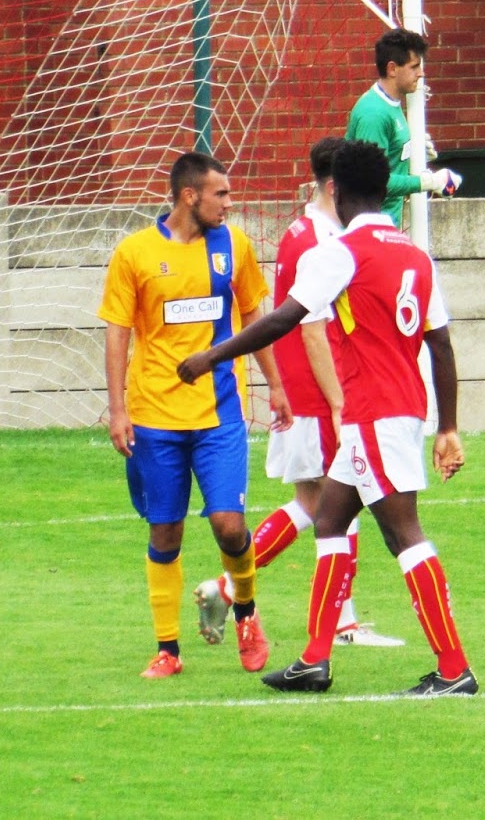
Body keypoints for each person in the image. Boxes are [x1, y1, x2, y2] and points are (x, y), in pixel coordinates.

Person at [178, 140, 475, 696]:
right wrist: (448, 427)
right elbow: (441, 344)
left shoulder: (340, 252)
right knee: (330, 519)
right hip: (392, 412)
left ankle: (454, 669)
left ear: (336, 193)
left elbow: (283, 319)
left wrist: (211, 356)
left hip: (375, 416)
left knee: (404, 535)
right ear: (384, 191)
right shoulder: (415, 255)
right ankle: (314, 660)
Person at [191, 138, 403, 650]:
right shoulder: (323, 241)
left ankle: (225, 587)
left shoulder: (301, 231)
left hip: (304, 389)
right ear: (335, 186)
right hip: (320, 390)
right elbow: (312, 329)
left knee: (312, 502)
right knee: (344, 498)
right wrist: (338, 401)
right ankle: (343, 623)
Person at [98, 150, 286, 679]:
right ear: (189, 196)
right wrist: (118, 410)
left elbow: (254, 316)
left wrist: (276, 385)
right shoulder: (135, 253)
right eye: (220, 194)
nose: (229, 203)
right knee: (165, 533)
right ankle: (168, 650)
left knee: (229, 525)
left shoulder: (234, 246)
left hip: (219, 414)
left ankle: (246, 613)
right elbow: (116, 333)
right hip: (154, 416)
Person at [345, 27, 461, 227]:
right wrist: (428, 182)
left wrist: (412, 154)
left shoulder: (390, 104)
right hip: (370, 230)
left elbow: (387, 162)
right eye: (414, 67)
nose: (421, 73)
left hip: (385, 226)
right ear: (392, 69)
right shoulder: (374, 114)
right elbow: (372, 180)